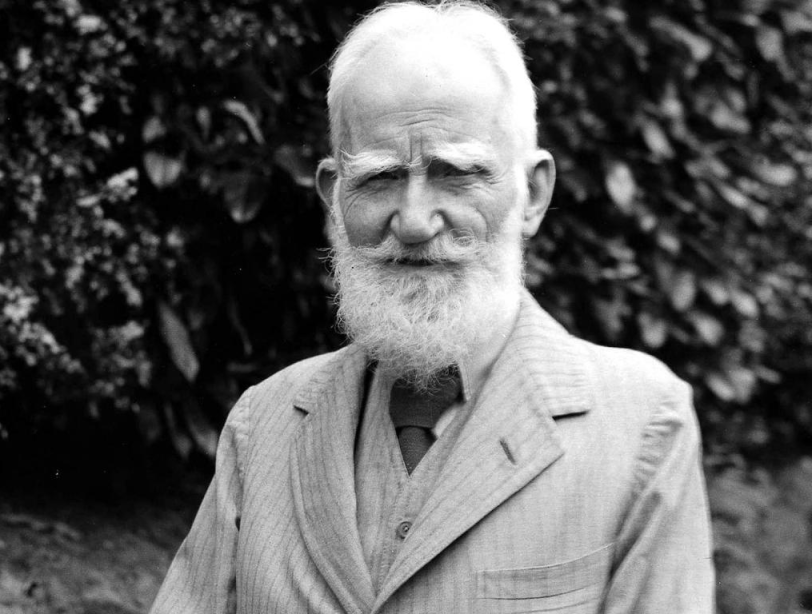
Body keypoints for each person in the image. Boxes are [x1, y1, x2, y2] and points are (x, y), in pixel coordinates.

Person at [151, 1, 714, 612]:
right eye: (379, 178)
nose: (415, 221)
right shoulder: (262, 426)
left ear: (533, 194)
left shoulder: (642, 426)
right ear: (333, 197)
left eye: (457, 175)